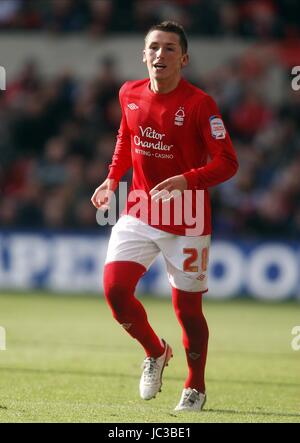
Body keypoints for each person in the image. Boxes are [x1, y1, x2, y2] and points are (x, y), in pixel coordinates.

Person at [91, 21, 238, 411]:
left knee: (188, 311)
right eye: (154, 47)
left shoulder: (200, 104)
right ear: (144, 54)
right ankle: (155, 351)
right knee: (115, 291)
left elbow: (228, 162)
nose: (160, 54)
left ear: (184, 59)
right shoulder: (129, 93)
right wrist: (110, 179)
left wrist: (186, 180)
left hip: (188, 218)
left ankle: (196, 386)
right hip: (140, 207)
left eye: (170, 48)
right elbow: (127, 137)